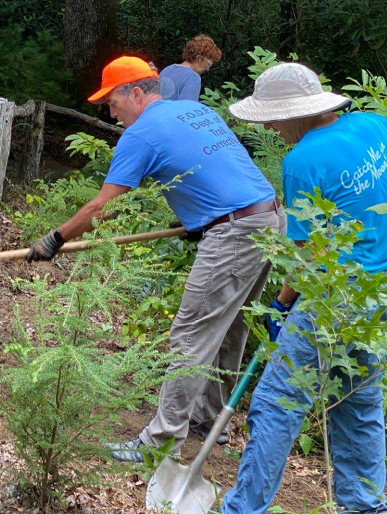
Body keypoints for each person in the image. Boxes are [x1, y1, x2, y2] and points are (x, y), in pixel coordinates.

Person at [26, 55, 286, 462]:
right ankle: (207, 418)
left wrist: (54, 239)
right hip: (267, 217)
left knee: (190, 334)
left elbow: (100, 209)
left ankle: (161, 441)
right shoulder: (193, 110)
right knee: (230, 326)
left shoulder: (141, 134)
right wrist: (200, 217)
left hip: (235, 230)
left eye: (112, 102)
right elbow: (212, 170)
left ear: (136, 92)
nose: (111, 114)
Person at [222, 62, 387, 514]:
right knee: (357, 403)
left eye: (273, 117)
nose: (271, 127)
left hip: (334, 297)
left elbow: (309, 257)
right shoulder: (376, 125)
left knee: (276, 403)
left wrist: (280, 305)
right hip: (379, 296)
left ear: (298, 112)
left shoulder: (303, 161)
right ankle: (365, 505)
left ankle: (243, 508)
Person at [160, 34, 221, 101]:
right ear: (199, 59)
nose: (207, 68)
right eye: (208, 64)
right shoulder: (193, 78)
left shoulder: (167, 69)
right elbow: (187, 108)